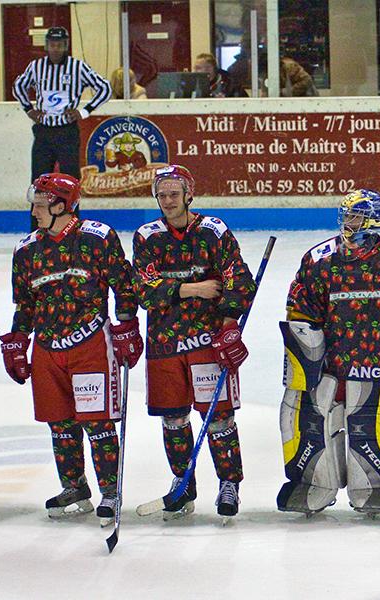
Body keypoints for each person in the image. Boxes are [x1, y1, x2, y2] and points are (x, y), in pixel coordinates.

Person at [0, 173, 142, 526]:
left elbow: (124, 286)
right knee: (60, 424)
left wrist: (126, 325)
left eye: (40, 204)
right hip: (47, 349)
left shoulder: (98, 238)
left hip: (90, 343)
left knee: (98, 423)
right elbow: (25, 305)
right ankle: (74, 487)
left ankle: (110, 491)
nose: (33, 211)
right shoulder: (26, 250)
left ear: (62, 205)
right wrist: (18, 341)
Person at [278, 189, 380, 516]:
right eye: (346, 215)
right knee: (308, 421)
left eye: (355, 216)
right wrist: (303, 362)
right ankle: (312, 483)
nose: (348, 222)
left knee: (371, 428)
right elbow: (300, 312)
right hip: (328, 366)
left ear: (374, 220)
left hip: (376, 367)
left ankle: (375, 488)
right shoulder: (319, 259)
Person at [132, 165, 257, 519]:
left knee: (218, 418)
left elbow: (238, 278)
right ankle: (182, 483)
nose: (168, 201)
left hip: (207, 342)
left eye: (174, 194)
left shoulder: (214, 231)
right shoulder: (146, 237)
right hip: (164, 344)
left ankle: (229, 483)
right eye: (162, 195)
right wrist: (195, 288)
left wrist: (230, 325)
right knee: (173, 419)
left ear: (189, 195)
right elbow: (144, 291)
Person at [12, 27, 112, 184]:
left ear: (66, 45)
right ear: (46, 46)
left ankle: (70, 202)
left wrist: (84, 112)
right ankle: (40, 202)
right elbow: (18, 86)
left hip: (67, 132)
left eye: (59, 45)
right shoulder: (36, 66)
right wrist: (28, 109)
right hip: (43, 132)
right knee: (39, 180)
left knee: (70, 180)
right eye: (52, 45)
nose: (55, 49)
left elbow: (105, 88)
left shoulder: (77, 67)